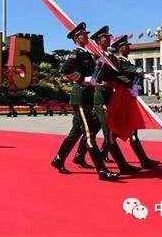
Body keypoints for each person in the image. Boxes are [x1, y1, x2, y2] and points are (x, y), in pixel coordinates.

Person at [50, 22, 119, 181]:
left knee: (75, 132)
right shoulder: (76, 53)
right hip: (80, 96)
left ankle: (59, 159)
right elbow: (65, 70)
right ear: (77, 38)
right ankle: (102, 171)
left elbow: (94, 72)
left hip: (88, 95)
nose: (87, 36)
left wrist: (98, 68)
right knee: (89, 135)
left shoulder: (87, 53)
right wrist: (82, 79)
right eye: (84, 35)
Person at [72, 26, 141, 175]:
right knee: (108, 132)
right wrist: (85, 79)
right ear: (99, 40)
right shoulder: (95, 55)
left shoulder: (108, 55)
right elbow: (84, 73)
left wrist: (132, 84)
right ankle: (120, 166)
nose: (109, 39)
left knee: (95, 128)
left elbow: (116, 74)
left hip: (110, 95)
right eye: (106, 37)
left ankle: (78, 155)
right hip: (100, 95)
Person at [111, 35, 160, 169]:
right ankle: (143, 160)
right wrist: (144, 74)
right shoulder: (121, 62)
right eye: (126, 45)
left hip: (128, 98)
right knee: (118, 131)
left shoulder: (126, 61)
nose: (128, 47)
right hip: (122, 99)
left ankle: (143, 160)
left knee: (125, 130)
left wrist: (135, 84)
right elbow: (131, 70)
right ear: (120, 48)